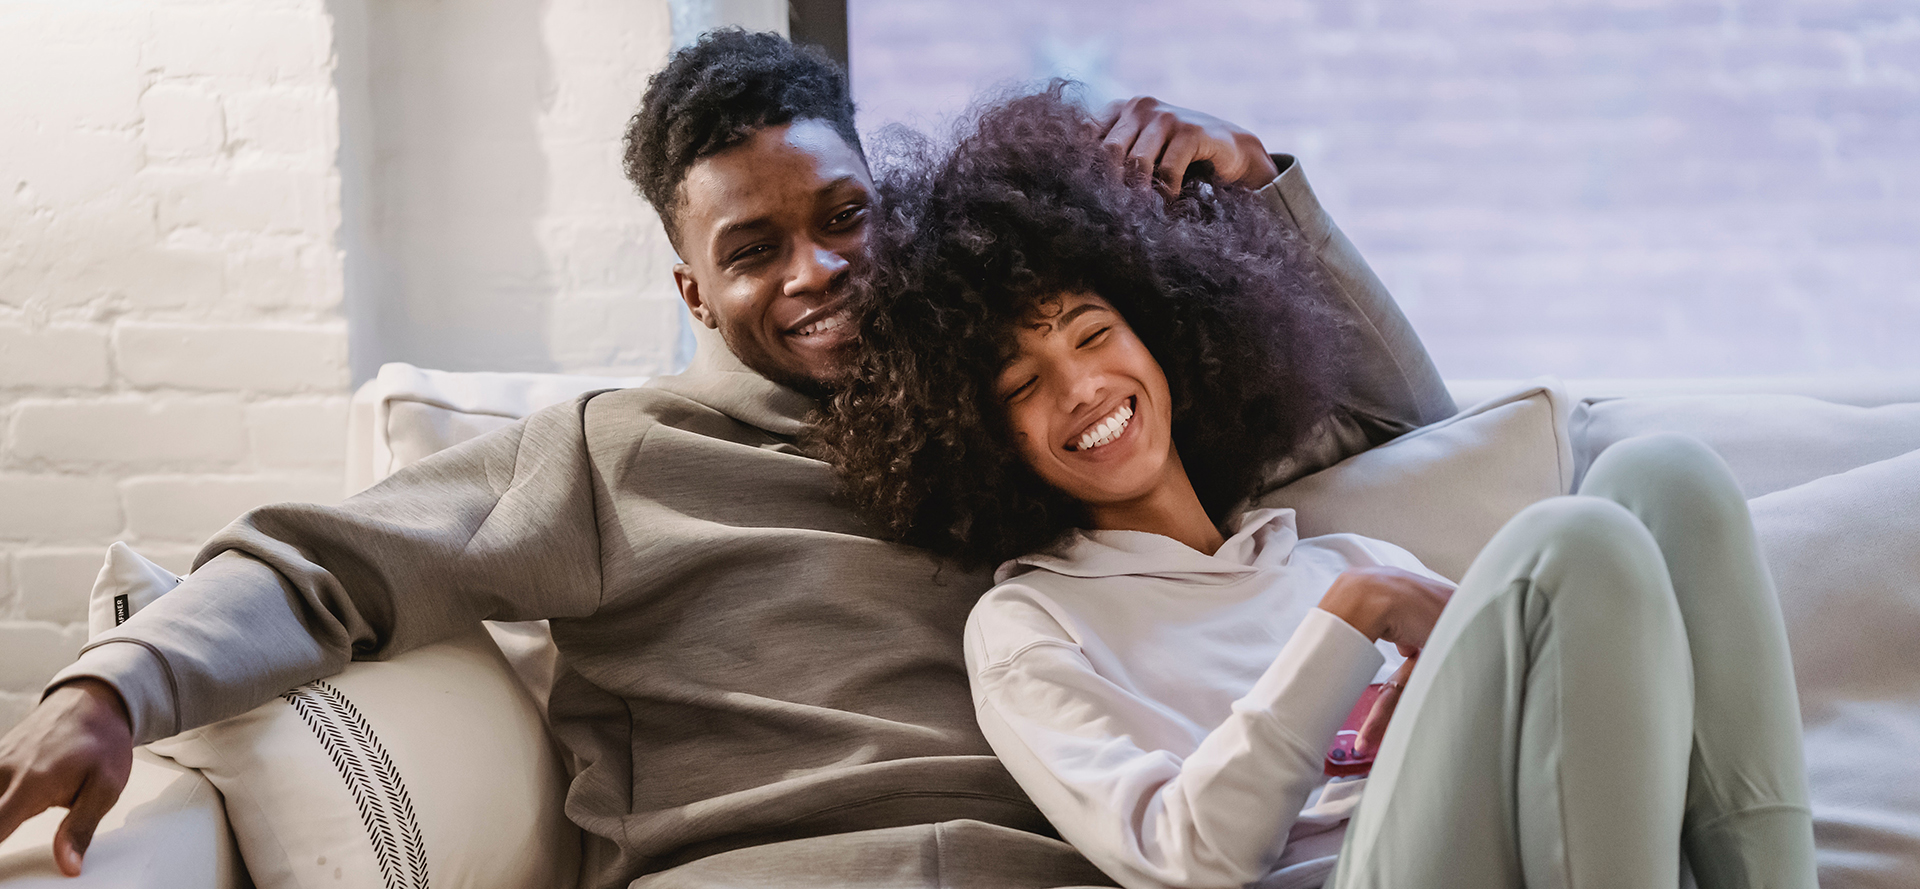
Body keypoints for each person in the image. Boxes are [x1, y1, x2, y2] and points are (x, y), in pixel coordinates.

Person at [0, 30, 1456, 889]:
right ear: (693, 290)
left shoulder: (1032, 418)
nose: (819, 270)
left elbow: (1389, 430)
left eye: (845, 215)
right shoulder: (612, 456)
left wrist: (1260, 195)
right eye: (754, 250)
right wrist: (114, 686)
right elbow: (330, 563)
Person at [815, 88, 1818, 889]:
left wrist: (1379, 610)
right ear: (978, 438)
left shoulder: (1341, 555)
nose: (1082, 388)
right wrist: (1348, 625)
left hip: (1530, 836)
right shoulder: (1031, 622)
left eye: (1093, 332)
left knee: (1666, 476)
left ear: (1164, 336)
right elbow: (1185, 857)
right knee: (1578, 544)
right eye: (1022, 386)